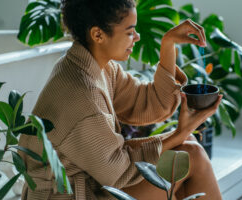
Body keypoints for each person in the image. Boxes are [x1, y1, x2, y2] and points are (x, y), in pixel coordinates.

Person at [19, 0, 223, 199]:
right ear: (98, 34)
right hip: (69, 194)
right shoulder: (81, 93)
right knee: (191, 155)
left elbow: (148, 104)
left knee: (188, 145)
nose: (137, 37)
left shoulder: (97, 66)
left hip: (98, 179)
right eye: (129, 32)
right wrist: (180, 132)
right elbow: (118, 173)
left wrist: (168, 46)